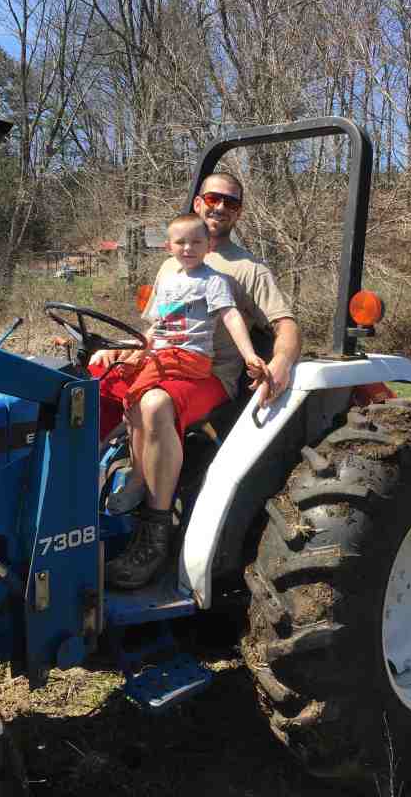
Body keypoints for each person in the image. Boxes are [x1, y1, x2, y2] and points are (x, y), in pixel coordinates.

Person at [92, 172, 302, 590]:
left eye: (231, 202)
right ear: (198, 201)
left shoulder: (247, 269)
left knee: (153, 404)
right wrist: (122, 352)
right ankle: (81, 497)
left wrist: (279, 362)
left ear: (238, 211)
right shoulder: (172, 262)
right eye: (213, 198)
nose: (220, 207)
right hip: (162, 359)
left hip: (210, 373)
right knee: (87, 385)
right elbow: (156, 326)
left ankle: (154, 531)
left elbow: (286, 324)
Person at [93, 213, 270, 520]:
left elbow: (230, 317)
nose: (189, 248)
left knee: (136, 399)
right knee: (109, 383)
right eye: (181, 242)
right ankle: (93, 462)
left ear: (208, 245)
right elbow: (159, 327)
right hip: (162, 354)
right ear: (168, 246)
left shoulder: (213, 280)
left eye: (196, 242)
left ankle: (138, 481)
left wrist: (249, 355)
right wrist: (135, 351)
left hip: (188, 357)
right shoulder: (170, 282)